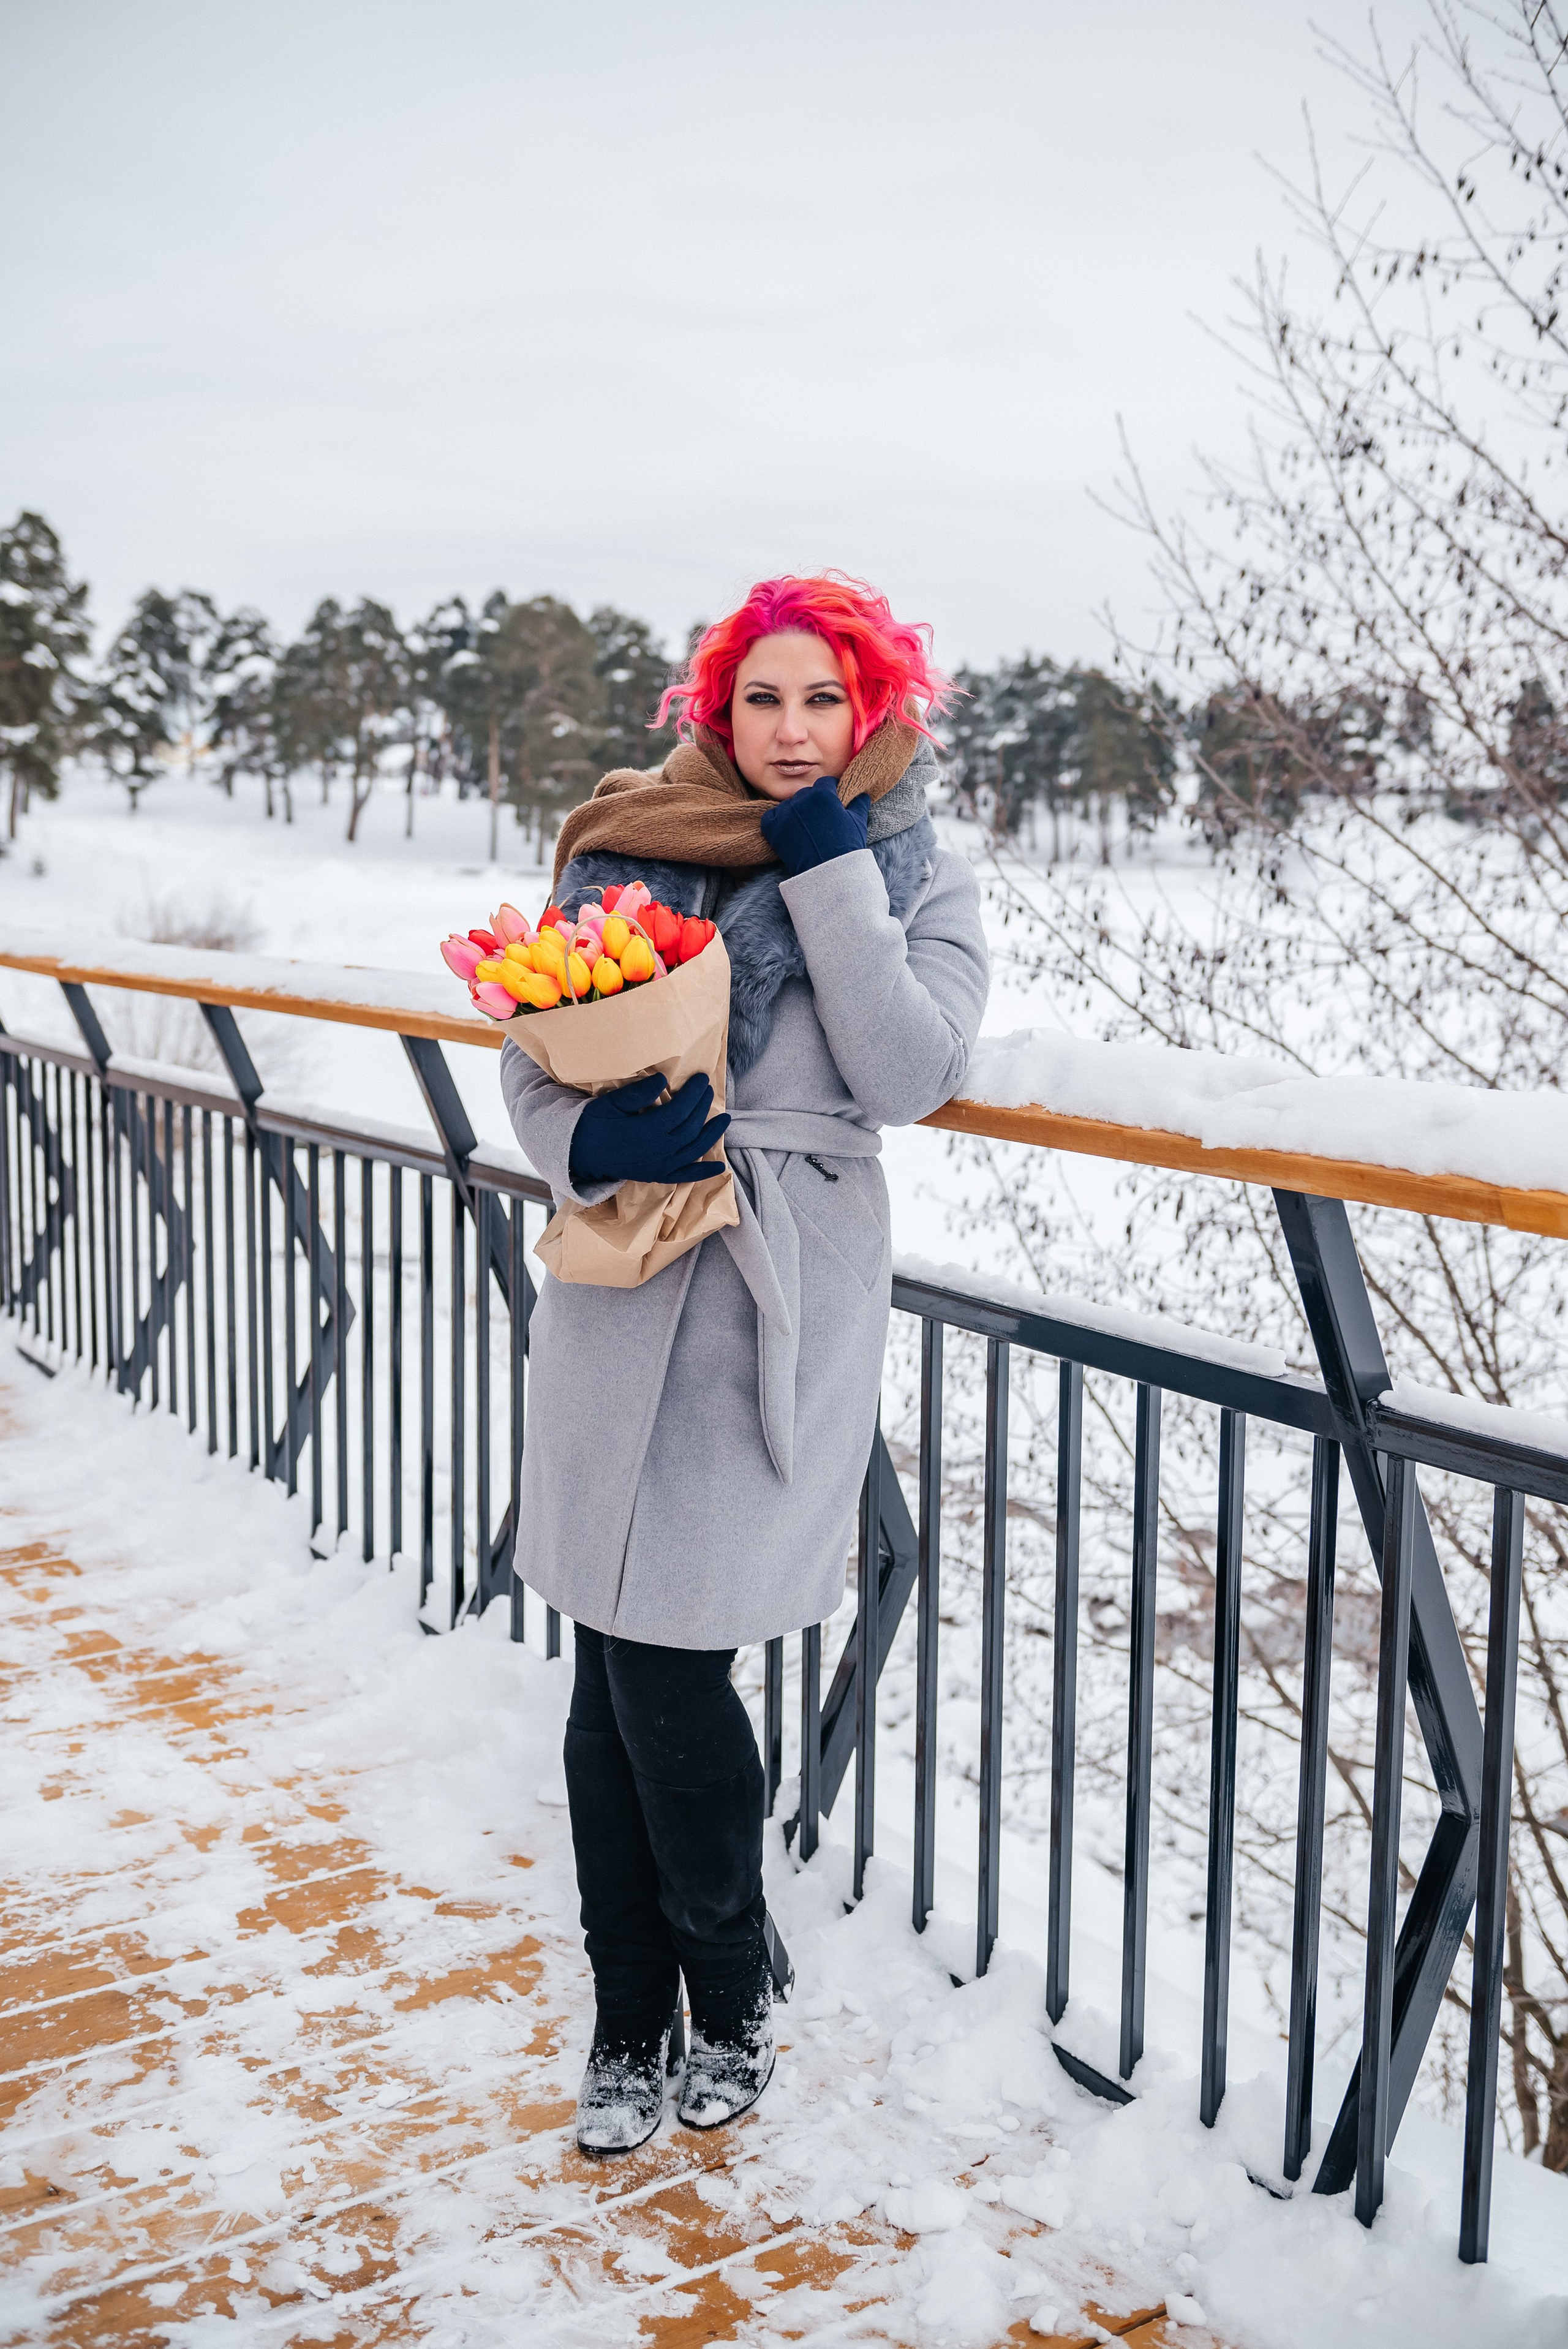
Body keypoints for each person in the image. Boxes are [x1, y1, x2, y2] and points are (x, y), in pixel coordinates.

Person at [499, 573, 990, 2157]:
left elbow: (912, 1069)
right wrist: (590, 1136)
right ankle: (632, 2014)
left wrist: (831, 870)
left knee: (666, 1658)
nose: (791, 732)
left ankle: (725, 1981)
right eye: (763, 698)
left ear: (874, 711)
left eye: (824, 701)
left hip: (776, 1282)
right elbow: (529, 1055)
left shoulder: (914, 861)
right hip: (626, 1270)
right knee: (606, 1666)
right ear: (719, 704)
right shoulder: (632, 834)